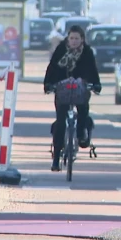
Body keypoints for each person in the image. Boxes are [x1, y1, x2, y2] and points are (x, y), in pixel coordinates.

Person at [43, 25, 102, 171]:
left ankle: (82, 133)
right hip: (63, 90)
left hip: (80, 89)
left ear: (82, 39)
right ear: (67, 39)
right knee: (60, 123)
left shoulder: (87, 52)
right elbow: (52, 68)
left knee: (83, 112)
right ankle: (56, 159)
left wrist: (95, 84)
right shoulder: (61, 50)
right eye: (71, 38)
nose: (74, 41)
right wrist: (49, 84)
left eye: (77, 38)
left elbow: (93, 69)